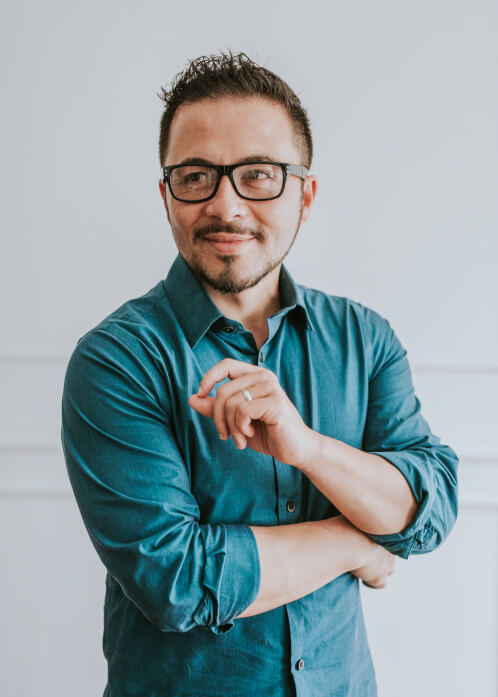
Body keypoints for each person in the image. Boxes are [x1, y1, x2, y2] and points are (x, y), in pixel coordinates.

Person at [61, 52, 459, 697]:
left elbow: (428, 507)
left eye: (258, 176)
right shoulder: (116, 360)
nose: (226, 206)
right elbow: (176, 580)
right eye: (196, 176)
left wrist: (310, 451)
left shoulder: (365, 338)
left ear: (305, 195)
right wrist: (356, 543)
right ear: (166, 196)